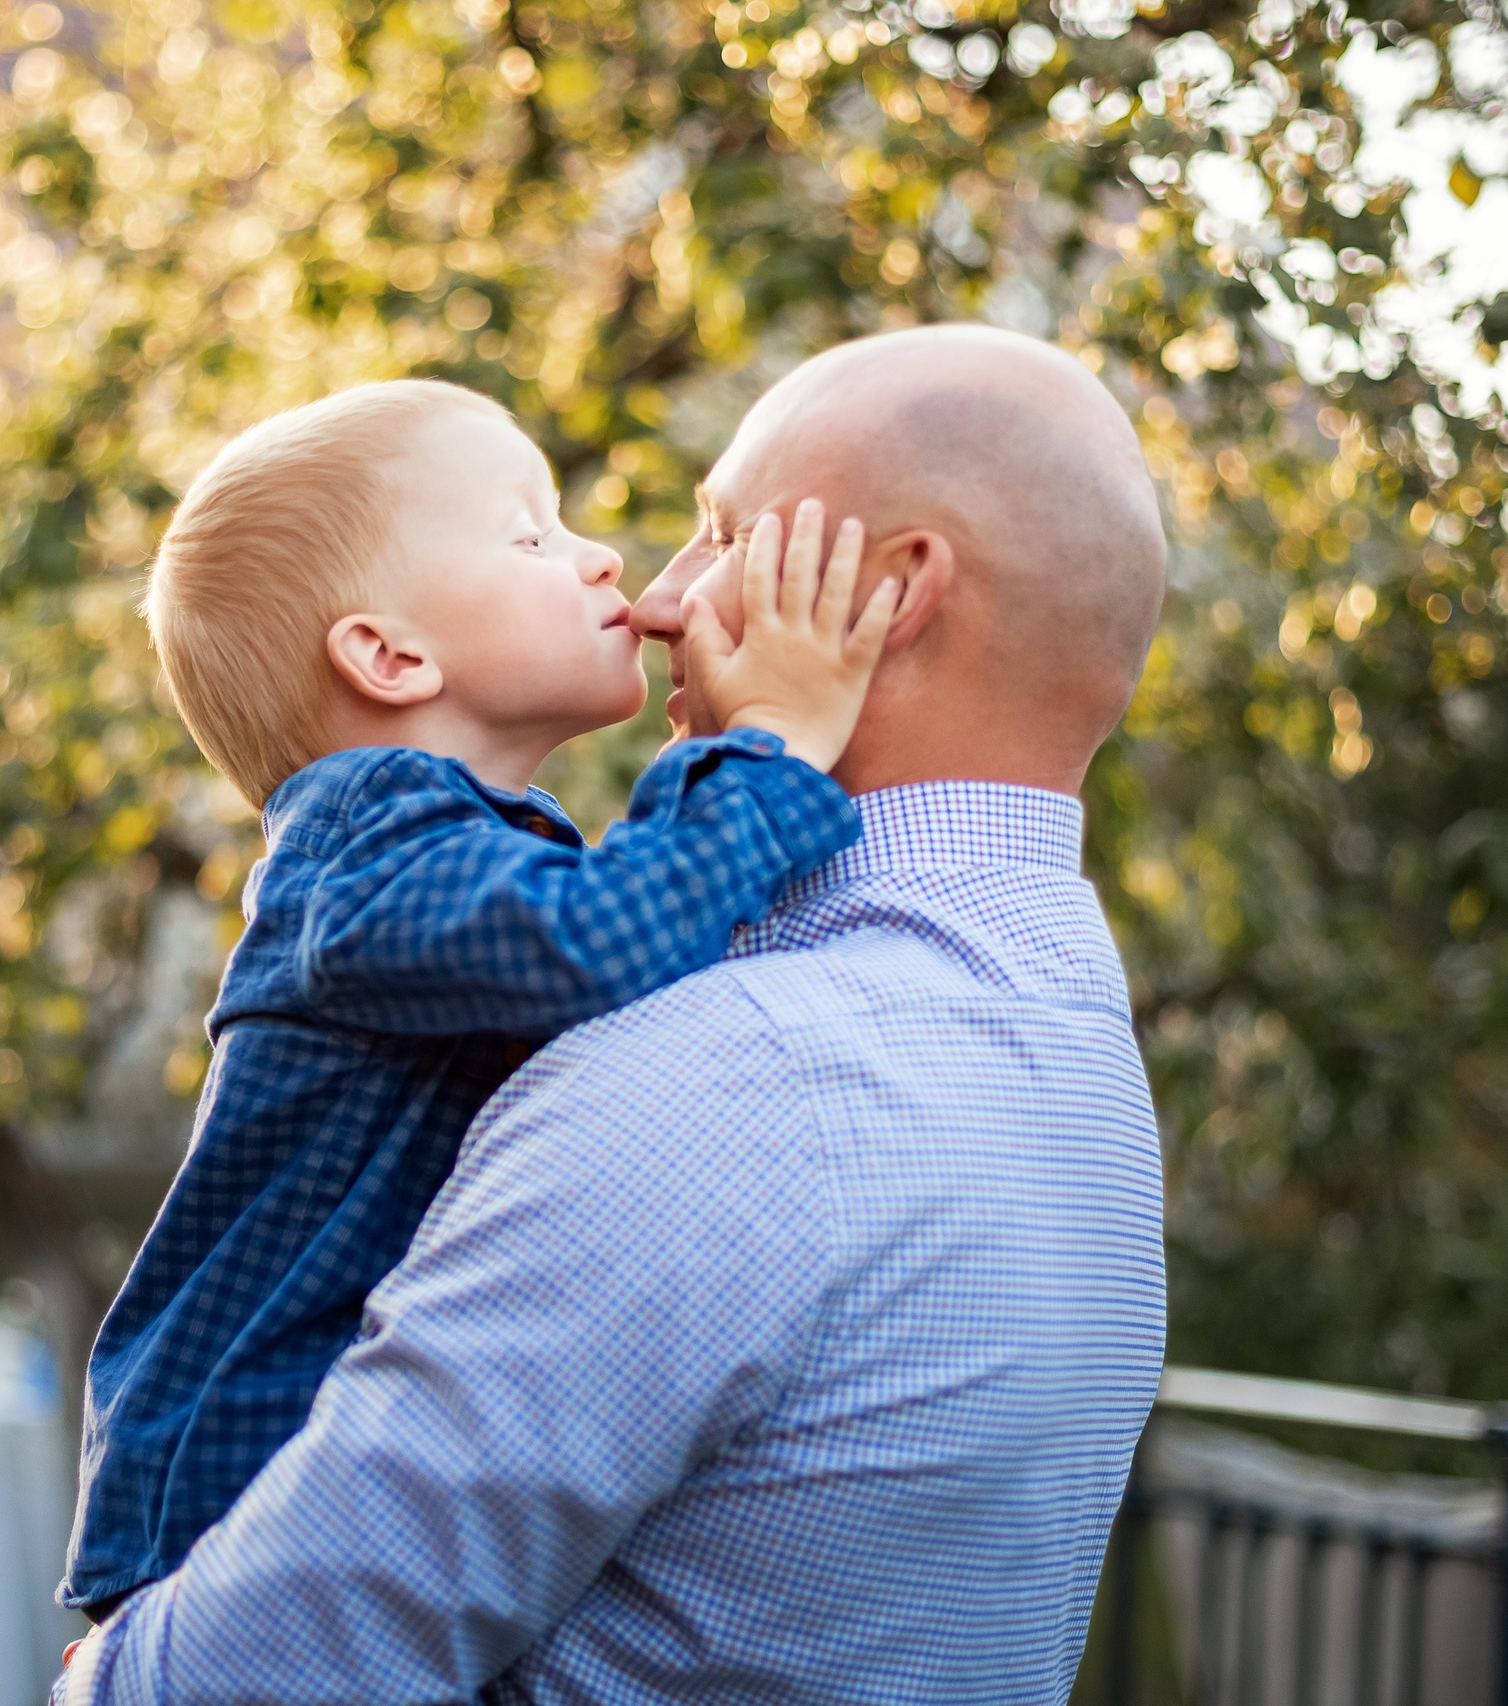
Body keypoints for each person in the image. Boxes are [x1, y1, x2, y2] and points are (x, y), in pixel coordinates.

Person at [60, 324, 1172, 1705]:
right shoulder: (1082, 1063)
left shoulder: (725, 1083)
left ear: (894, 591)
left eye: (719, 534)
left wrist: (105, 1678)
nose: (649, 592)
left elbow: (244, 1682)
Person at [63, 378, 901, 1622]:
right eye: (531, 534)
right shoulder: (366, 840)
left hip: (300, 1484)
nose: (601, 553)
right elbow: (600, 939)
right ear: (390, 655)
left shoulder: (461, 850)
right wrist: (770, 739)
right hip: (232, 1501)